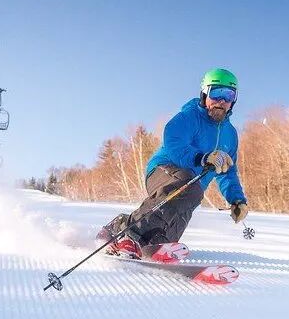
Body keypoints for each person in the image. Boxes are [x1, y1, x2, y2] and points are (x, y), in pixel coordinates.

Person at [97, 68, 249, 261]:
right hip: (164, 171)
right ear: (204, 93)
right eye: (216, 93)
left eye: (228, 95)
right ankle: (127, 233)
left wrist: (237, 200)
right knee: (189, 187)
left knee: (175, 223)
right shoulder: (189, 117)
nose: (222, 101)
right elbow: (174, 143)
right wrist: (201, 158)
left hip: (191, 190)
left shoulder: (231, 135)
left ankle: (151, 243)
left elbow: (228, 171)